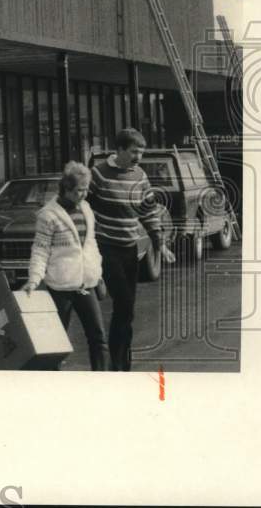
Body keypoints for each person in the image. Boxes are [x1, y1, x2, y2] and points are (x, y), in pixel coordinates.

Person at [87, 127, 175, 371]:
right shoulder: (99, 174)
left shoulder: (140, 176)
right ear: (120, 149)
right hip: (107, 248)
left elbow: (149, 211)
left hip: (129, 249)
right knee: (124, 303)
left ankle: (121, 362)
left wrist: (160, 244)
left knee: (127, 310)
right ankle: (116, 362)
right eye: (135, 152)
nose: (139, 158)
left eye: (142, 153)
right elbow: (83, 205)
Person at [23, 162, 109, 371]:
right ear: (66, 189)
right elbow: (40, 250)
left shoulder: (86, 209)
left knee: (98, 337)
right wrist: (34, 279)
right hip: (60, 287)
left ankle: (105, 379)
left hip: (85, 284)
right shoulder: (48, 215)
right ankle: (52, 383)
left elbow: (90, 244)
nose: (84, 194)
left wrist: (97, 271)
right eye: (79, 190)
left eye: (86, 189)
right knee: (56, 342)